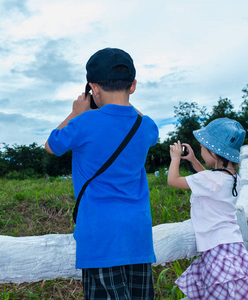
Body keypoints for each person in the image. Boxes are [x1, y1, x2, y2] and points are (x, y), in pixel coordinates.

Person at [46, 48, 158, 299]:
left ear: (93, 88)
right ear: (133, 85)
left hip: (100, 237)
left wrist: (76, 111)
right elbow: (144, 122)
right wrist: (126, 100)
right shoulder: (146, 126)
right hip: (137, 235)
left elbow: (51, 145)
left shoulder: (83, 123)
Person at [167, 118, 248, 300]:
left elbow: (173, 181)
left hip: (216, 249)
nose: (200, 151)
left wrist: (175, 158)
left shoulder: (210, 179)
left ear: (213, 153)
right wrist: (193, 160)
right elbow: (209, 178)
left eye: (201, 148)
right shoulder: (234, 178)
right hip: (233, 246)